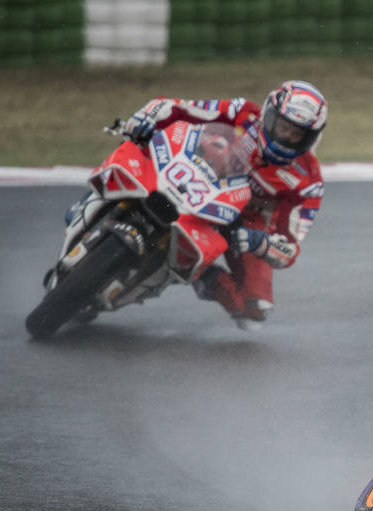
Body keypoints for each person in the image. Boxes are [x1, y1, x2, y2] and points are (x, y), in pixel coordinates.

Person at [61, 80, 328, 330]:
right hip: (192, 171)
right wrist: (145, 118)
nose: (286, 138)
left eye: (297, 135)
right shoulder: (242, 112)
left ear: (310, 139)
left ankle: (204, 276)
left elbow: (290, 246)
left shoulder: (308, 181)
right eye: (283, 127)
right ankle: (93, 202)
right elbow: (178, 108)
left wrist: (262, 243)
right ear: (269, 114)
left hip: (241, 220)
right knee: (135, 141)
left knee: (254, 310)